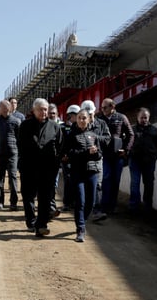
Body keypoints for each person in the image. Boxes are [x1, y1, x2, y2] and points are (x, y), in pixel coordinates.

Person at [17, 98, 63, 237]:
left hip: (47, 169)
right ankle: (31, 220)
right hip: (29, 168)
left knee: (45, 198)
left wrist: (56, 163)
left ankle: (41, 225)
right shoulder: (25, 126)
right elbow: (20, 145)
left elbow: (60, 147)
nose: (43, 112)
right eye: (40, 109)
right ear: (34, 110)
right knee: (28, 196)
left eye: (45, 109)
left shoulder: (55, 127)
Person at [64, 109, 102, 242]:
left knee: (90, 202)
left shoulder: (94, 135)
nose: (81, 120)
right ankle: (80, 228)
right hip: (77, 172)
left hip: (92, 172)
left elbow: (99, 155)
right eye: (79, 117)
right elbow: (70, 154)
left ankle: (83, 221)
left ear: (89, 119)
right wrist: (87, 152)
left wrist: (96, 152)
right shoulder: (71, 135)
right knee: (80, 200)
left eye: (84, 118)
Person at [97, 98, 134, 215]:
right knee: (106, 178)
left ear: (112, 107)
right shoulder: (99, 119)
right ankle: (104, 206)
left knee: (115, 180)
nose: (102, 110)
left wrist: (126, 150)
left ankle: (112, 207)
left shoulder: (121, 117)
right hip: (105, 155)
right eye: (101, 108)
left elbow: (131, 134)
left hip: (118, 155)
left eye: (105, 107)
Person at [128, 107, 157, 215]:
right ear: (137, 117)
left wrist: (156, 155)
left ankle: (148, 207)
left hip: (149, 162)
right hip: (135, 161)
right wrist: (129, 154)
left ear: (148, 118)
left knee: (149, 184)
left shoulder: (154, 130)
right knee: (135, 184)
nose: (143, 119)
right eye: (141, 117)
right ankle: (134, 207)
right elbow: (127, 144)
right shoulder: (132, 130)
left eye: (146, 117)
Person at [80, 100, 111, 222]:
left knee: (98, 185)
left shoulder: (101, 124)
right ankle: (83, 209)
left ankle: (97, 211)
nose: (89, 118)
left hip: (97, 159)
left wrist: (95, 139)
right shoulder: (78, 124)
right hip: (82, 160)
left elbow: (107, 138)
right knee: (83, 186)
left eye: (91, 115)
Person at [0, 99, 21, 211]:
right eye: (1, 109)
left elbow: (20, 139)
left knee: (13, 178)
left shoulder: (16, 121)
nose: (3, 111)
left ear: (9, 109)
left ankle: (13, 202)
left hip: (12, 154)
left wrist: (19, 154)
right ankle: (0, 201)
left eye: (5, 109)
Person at [60, 104, 80, 211]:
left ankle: (75, 201)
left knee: (76, 180)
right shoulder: (63, 127)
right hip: (66, 158)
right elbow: (61, 143)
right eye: (74, 115)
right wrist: (63, 155)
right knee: (68, 180)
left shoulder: (79, 128)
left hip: (76, 158)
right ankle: (67, 203)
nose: (76, 117)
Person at [47, 102, 64, 219]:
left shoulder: (62, 126)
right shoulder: (44, 125)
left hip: (56, 161)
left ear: (57, 114)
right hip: (44, 161)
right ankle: (50, 208)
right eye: (49, 113)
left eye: (53, 113)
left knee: (53, 184)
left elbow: (62, 144)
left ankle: (50, 207)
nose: (51, 115)